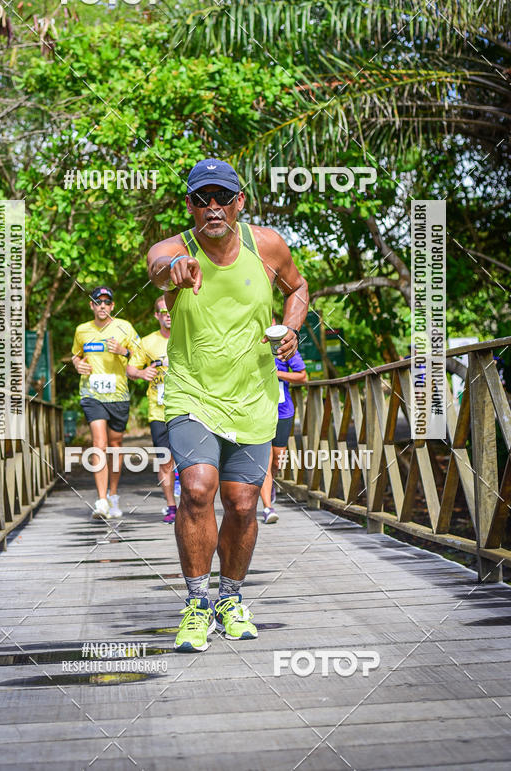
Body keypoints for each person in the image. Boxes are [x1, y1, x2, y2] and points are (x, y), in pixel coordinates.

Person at [147, 158, 308, 652]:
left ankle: (230, 598)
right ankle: (197, 604)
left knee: (241, 503)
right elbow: (158, 269)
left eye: (222, 197)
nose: (212, 207)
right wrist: (174, 272)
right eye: (201, 198)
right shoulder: (174, 248)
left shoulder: (268, 247)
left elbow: (299, 288)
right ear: (190, 205)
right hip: (192, 393)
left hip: (254, 397)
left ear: (240, 201)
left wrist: (293, 327)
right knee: (196, 489)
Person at [71, 286, 141, 520]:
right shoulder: (82, 330)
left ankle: (113, 495)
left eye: (106, 302)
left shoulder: (125, 327)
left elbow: (141, 355)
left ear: (112, 306)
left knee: (115, 446)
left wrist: (124, 351)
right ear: (91, 305)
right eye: (97, 302)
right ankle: (101, 501)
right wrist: (76, 364)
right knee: (99, 443)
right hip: (92, 394)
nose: (102, 306)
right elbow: (76, 354)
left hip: (118, 395)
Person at [127, 296, 178, 523]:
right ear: (157, 316)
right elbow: (130, 369)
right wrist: (141, 373)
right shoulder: (147, 342)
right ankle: (171, 506)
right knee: (165, 460)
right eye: (163, 311)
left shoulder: (188, 336)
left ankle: (191, 506)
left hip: (187, 408)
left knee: (189, 461)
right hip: (159, 412)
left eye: (171, 310)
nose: (168, 314)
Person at [259, 317, 308, 524]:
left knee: (277, 460)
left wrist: (276, 374)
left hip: (283, 410)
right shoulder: (250, 347)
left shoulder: (285, 349)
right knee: (265, 461)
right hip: (259, 411)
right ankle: (267, 507)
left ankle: (271, 486)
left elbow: (303, 376)